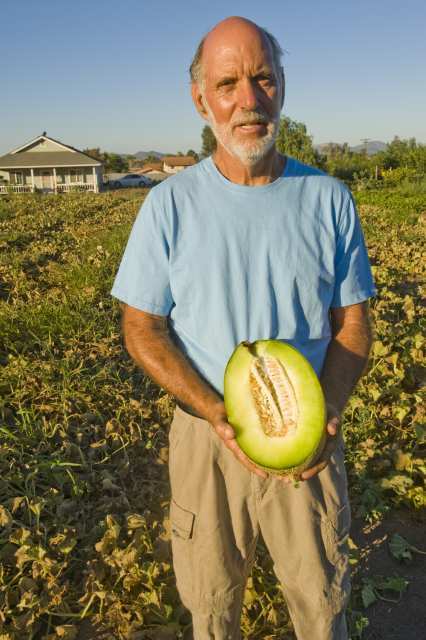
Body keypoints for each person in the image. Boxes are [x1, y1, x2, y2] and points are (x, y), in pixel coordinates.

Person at [111, 16, 376, 640]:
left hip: (307, 436)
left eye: (263, 78)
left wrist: (329, 408)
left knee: (322, 601)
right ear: (201, 99)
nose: (249, 101)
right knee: (211, 604)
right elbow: (142, 327)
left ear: (282, 85)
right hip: (207, 437)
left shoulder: (329, 198)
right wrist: (212, 409)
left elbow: (354, 323)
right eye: (228, 83)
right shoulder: (168, 205)